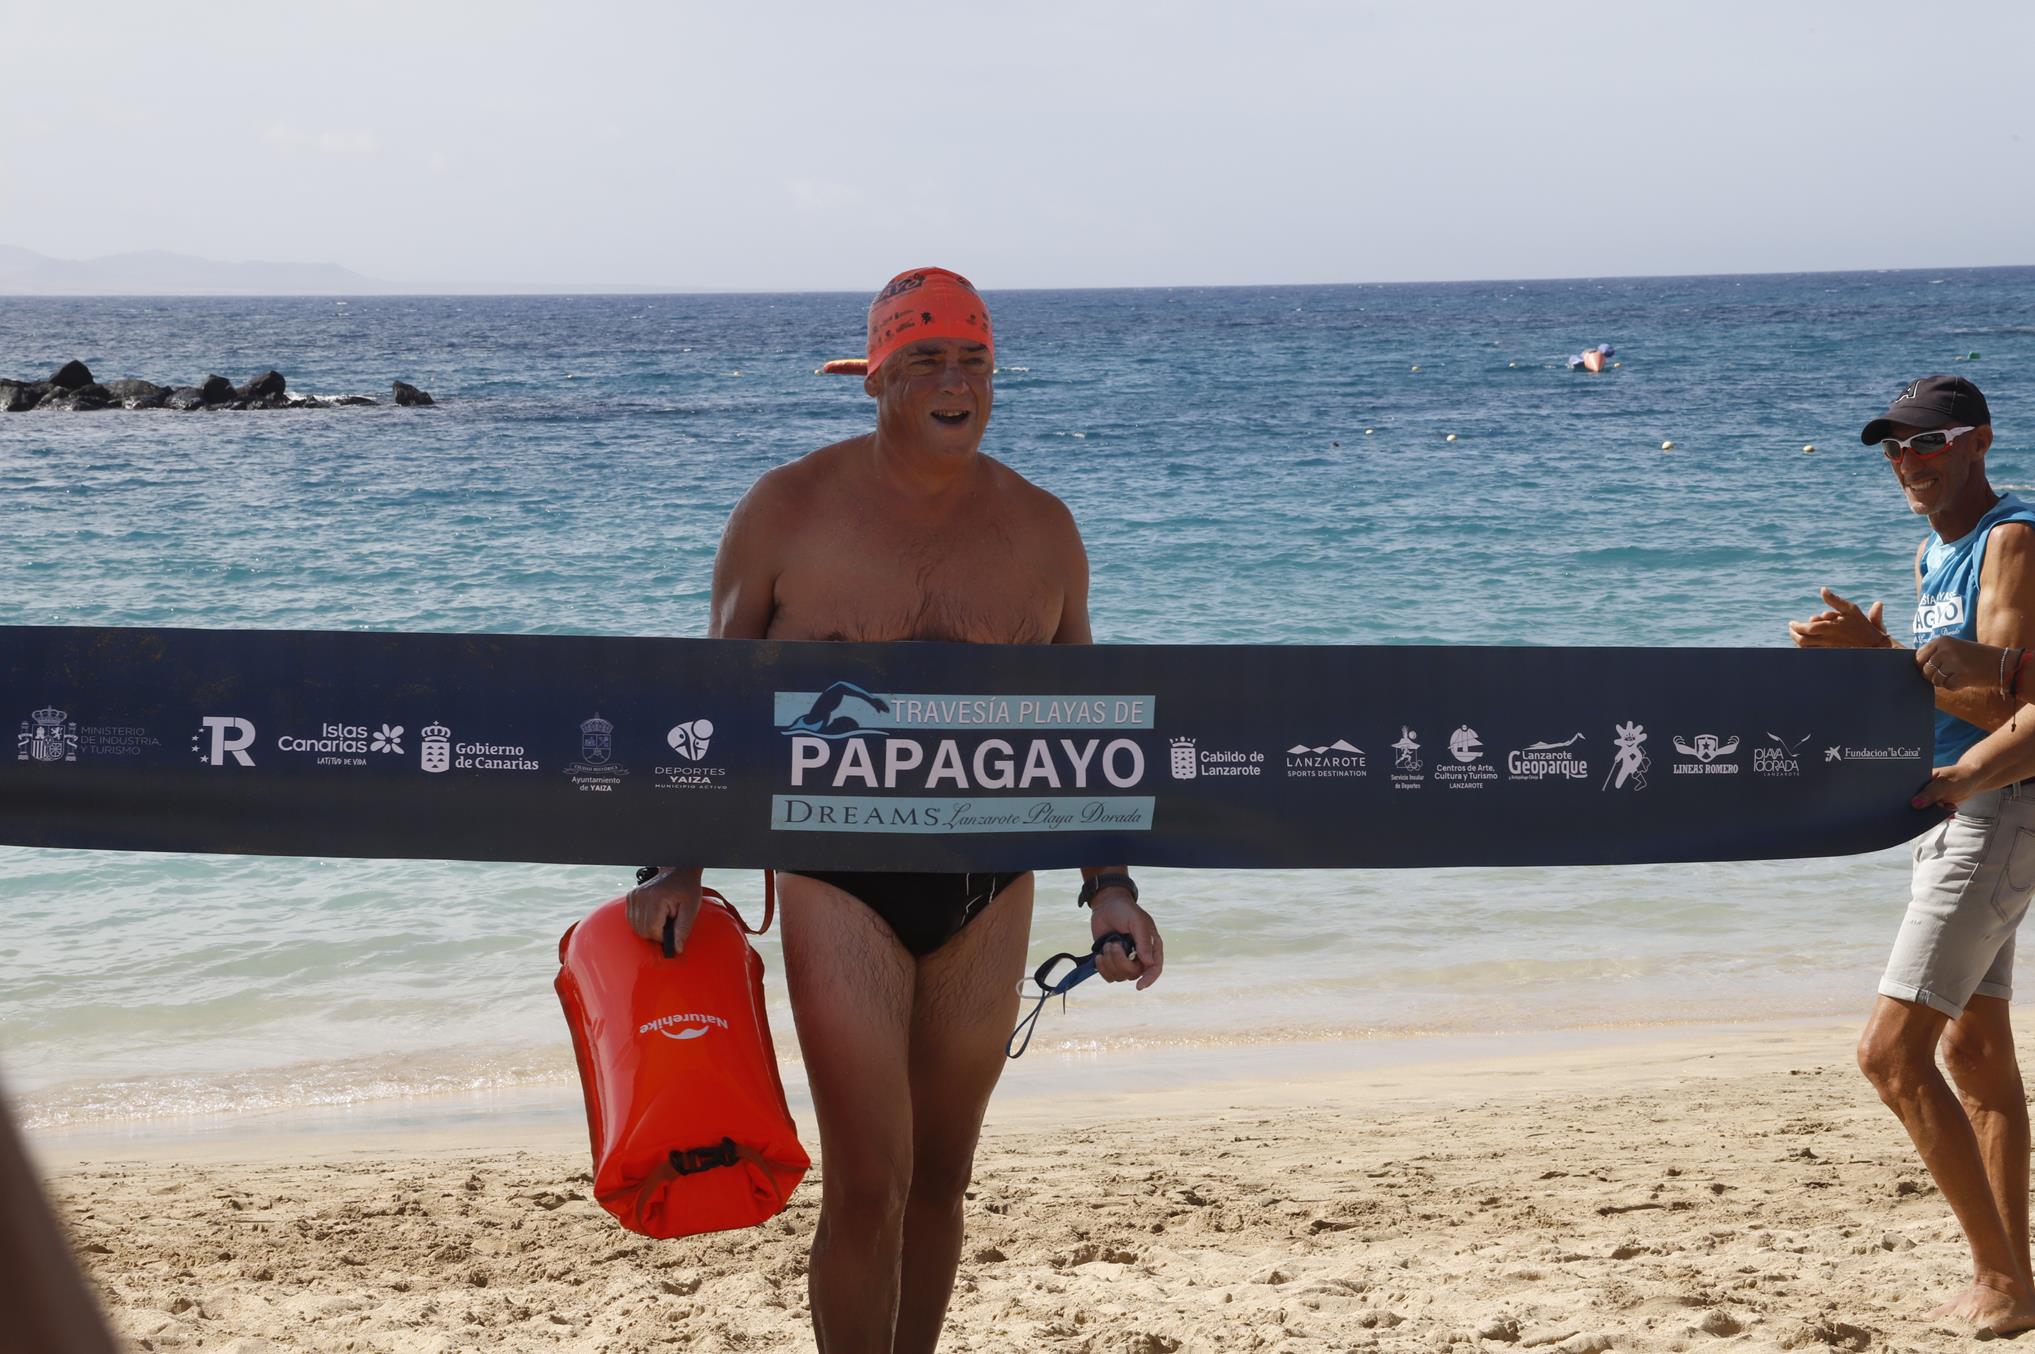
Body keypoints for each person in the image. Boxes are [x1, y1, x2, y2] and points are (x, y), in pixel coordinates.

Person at [626, 267, 1165, 1353]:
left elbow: (1087, 728)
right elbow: (708, 701)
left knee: (942, 1179)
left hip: (990, 880)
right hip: (837, 872)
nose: (955, 381)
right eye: (926, 358)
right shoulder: (787, 511)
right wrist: (673, 866)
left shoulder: (1043, 529)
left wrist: (1110, 892)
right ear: (875, 375)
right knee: (870, 1175)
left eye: (974, 360)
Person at [1789, 374, 2035, 1335]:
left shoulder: (2009, 539)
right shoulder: (1938, 552)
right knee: (1975, 1049)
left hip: (1990, 807)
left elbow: (2008, 709)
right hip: (1951, 808)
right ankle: (2013, 1284)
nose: (1906, 464)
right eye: (1894, 449)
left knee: (1889, 1057)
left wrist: (1878, 664)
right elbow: (1949, 688)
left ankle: (1998, 1279)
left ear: (1977, 443)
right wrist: (1882, 656)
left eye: (1926, 446)